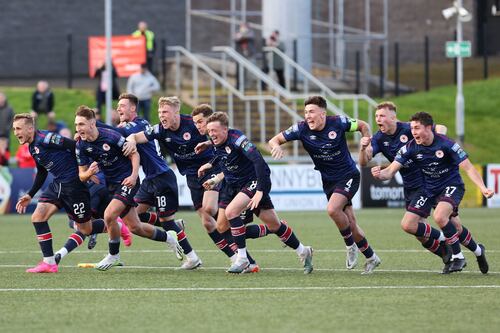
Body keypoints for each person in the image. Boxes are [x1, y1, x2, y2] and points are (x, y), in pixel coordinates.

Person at [125, 98, 265, 270]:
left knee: (210, 209)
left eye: (166, 112)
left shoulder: (193, 124)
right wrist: (131, 140)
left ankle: (245, 250)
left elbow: (219, 133)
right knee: (209, 223)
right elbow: (137, 136)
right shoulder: (160, 129)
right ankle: (238, 257)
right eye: (160, 113)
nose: (162, 116)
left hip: (211, 171)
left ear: (176, 113)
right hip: (192, 177)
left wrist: (208, 143)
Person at [269, 95, 381, 274]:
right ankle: (371, 256)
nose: (307, 115)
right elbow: (274, 140)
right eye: (305, 112)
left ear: (323, 113)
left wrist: (367, 143)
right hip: (328, 180)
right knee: (350, 223)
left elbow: (363, 126)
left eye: (312, 111)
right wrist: (275, 146)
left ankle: (350, 246)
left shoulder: (338, 123)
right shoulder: (301, 128)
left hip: (348, 175)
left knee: (332, 209)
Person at [372, 111, 493, 274]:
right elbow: (390, 171)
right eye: (412, 128)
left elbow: (469, 168)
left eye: (417, 128)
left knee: (440, 217)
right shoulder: (409, 147)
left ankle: (458, 257)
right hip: (428, 189)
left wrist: (483, 188)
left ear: (429, 128)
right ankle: (478, 251)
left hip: (451, 185)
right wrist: (380, 174)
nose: (413, 132)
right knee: (409, 224)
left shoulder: (446, 144)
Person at [202, 111, 313, 274]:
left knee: (232, 213)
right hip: (233, 186)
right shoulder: (216, 142)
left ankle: (242, 260)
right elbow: (222, 154)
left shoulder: (238, 140)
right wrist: (210, 165)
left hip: (252, 182)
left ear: (225, 129)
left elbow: (258, 161)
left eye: (214, 131)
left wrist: (260, 190)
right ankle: (304, 251)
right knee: (272, 225)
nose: (211, 134)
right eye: (209, 131)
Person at [74, 105, 183, 270]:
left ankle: (113, 256)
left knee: (109, 215)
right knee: (135, 227)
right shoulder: (81, 146)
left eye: (81, 124)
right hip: (112, 185)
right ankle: (169, 238)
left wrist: (133, 176)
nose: (78, 128)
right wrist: (88, 173)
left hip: (127, 181)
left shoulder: (111, 136)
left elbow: (134, 153)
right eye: (76, 125)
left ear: (92, 124)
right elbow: (81, 174)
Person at [100, 94, 201, 270]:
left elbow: (118, 134)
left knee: (166, 220)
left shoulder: (140, 124)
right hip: (150, 180)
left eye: (122, 106)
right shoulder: (131, 127)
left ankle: (193, 258)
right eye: (118, 106)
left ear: (133, 108)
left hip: (162, 178)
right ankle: (174, 226)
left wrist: (96, 125)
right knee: (133, 219)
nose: (118, 109)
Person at [12, 113, 108, 273]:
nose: (15, 132)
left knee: (85, 229)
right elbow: (42, 172)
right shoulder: (31, 146)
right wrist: (30, 194)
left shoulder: (47, 138)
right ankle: (49, 263)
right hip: (58, 185)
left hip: (74, 186)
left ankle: (116, 224)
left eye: (18, 128)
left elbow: (75, 146)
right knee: (37, 217)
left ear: (30, 128)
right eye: (14, 129)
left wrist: (88, 170)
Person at [358, 102, 452, 265]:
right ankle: (449, 257)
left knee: (410, 224)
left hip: (426, 183)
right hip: (410, 186)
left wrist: (434, 144)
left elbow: (441, 128)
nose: (378, 119)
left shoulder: (410, 128)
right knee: (420, 234)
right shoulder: (379, 138)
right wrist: (362, 149)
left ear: (393, 117)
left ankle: (448, 241)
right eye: (376, 116)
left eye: (382, 116)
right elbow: (364, 162)